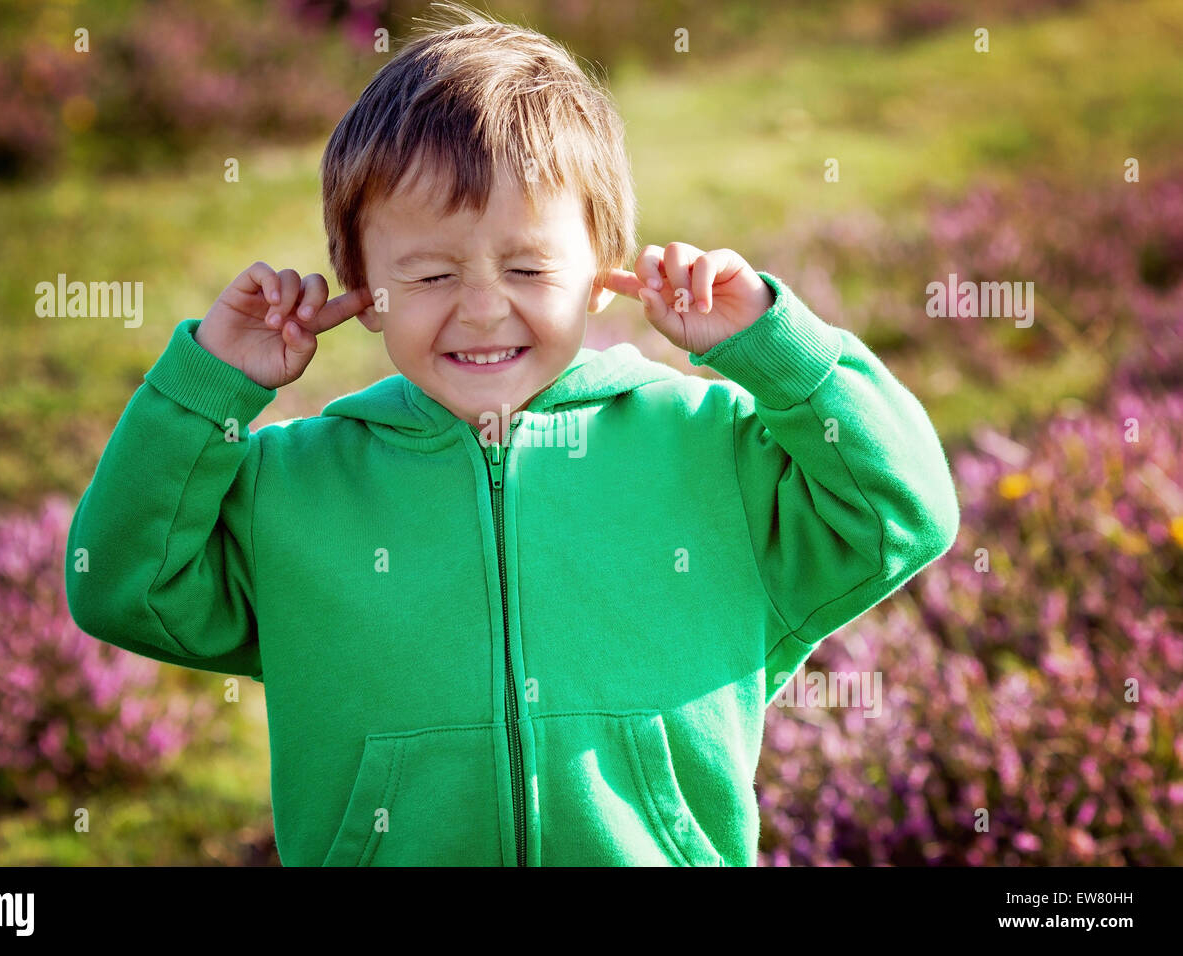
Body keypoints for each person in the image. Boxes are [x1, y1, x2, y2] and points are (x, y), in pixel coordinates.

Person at [65, 4, 959, 866]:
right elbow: (117, 585)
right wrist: (209, 389)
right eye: (429, 274)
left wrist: (774, 346)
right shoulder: (292, 486)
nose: (483, 309)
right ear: (361, 287)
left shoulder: (711, 452)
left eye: (529, 265)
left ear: (606, 270)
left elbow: (903, 509)